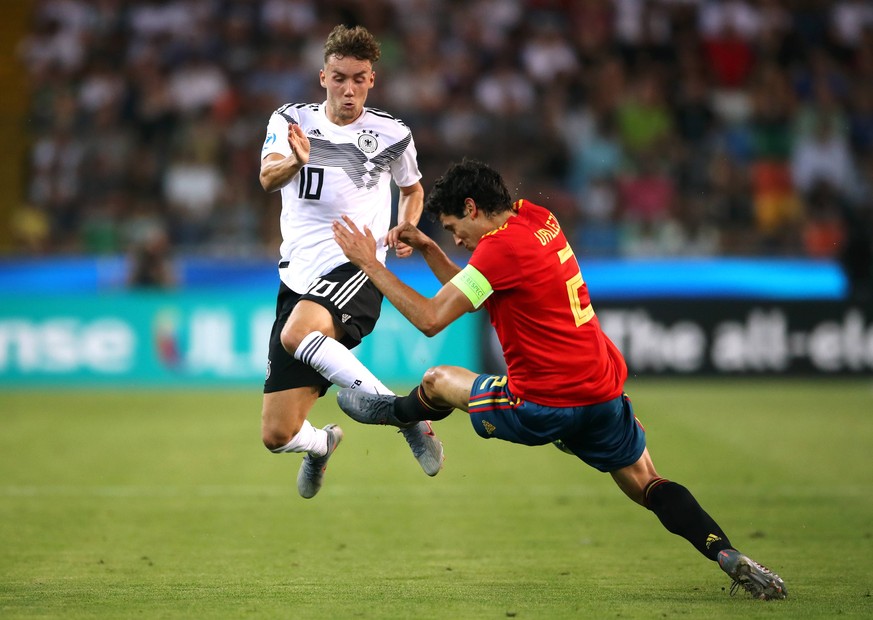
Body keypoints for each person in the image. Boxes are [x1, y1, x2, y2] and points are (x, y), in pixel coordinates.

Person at [331, 159, 787, 600]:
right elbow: (477, 292)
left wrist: (369, 262)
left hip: (543, 403)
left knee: (436, 380)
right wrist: (431, 250)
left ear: (472, 208)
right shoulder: (538, 220)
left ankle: (396, 414)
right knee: (647, 483)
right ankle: (725, 552)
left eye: (454, 229)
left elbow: (432, 318)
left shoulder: (498, 250)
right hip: (601, 390)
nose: (459, 240)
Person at [258, 24, 443, 500]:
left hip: (357, 267)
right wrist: (296, 162)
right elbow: (266, 177)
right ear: (323, 76)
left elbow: (414, 188)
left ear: (372, 80)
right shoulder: (291, 120)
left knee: (298, 334)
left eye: (359, 78)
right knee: (277, 435)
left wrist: (406, 224)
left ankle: (407, 417)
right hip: (298, 279)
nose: (348, 88)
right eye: (339, 77)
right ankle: (321, 445)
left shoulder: (392, 134)